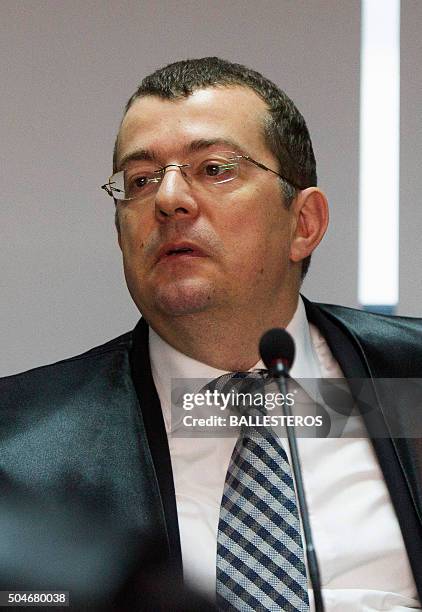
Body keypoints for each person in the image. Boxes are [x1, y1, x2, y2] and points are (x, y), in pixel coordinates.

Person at [1, 57, 421, 611]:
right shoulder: (17, 444)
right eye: (141, 180)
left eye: (216, 168)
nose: (169, 199)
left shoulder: (408, 381)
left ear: (304, 224)